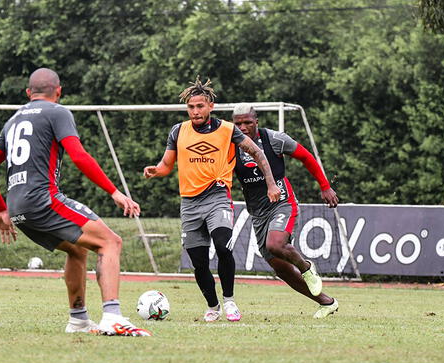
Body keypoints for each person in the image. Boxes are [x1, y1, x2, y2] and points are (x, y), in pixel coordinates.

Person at [0, 67, 151, 336]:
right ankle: (112, 316)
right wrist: (114, 191)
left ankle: (79, 320)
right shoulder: (58, 112)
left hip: (18, 207)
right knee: (110, 242)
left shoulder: (12, 121)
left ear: (28, 93)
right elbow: (79, 156)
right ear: (59, 91)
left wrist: (0, 208)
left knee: (77, 249)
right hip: (43, 200)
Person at [143, 77, 282, 322]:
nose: (195, 111)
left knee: (222, 245)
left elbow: (257, 153)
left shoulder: (228, 130)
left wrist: (271, 183)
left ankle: (229, 301)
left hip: (217, 196)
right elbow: (166, 165)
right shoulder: (178, 130)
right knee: (198, 261)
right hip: (189, 203)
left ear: (210, 107)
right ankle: (213, 306)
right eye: (191, 107)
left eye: (200, 106)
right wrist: (156, 170)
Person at [231, 103, 339, 318]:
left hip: (282, 202)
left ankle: (307, 268)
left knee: (276, 244)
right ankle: (327, 302)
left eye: (247, 122)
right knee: (280, 268)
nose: (243, 127)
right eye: (238, 123)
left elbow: (307, 157)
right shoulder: (229, 144)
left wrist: (325, 186)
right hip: (258, 212)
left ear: (256, 122)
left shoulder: (275, 139)